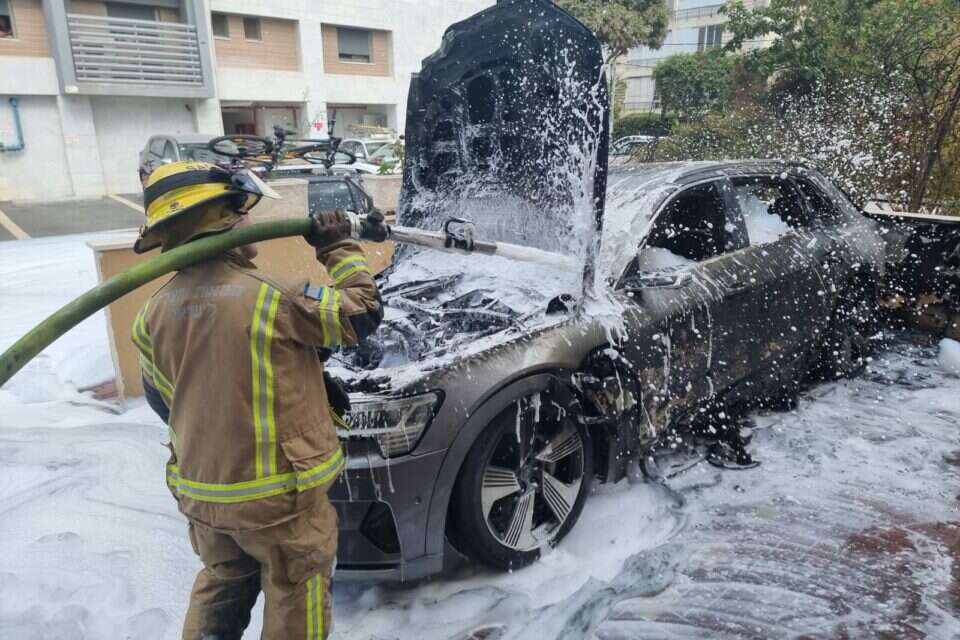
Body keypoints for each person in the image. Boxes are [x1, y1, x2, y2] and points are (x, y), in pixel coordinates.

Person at [131, 160, 384, 639]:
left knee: (222, 582)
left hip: (205, 497)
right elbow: (363, 313)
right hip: (279, 503)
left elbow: (167, 400)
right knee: (295, 590)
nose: (250, 223)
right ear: (221, 219)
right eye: (242, 213)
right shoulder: (277, 296)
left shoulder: (151, 314)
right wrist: (339, 249)